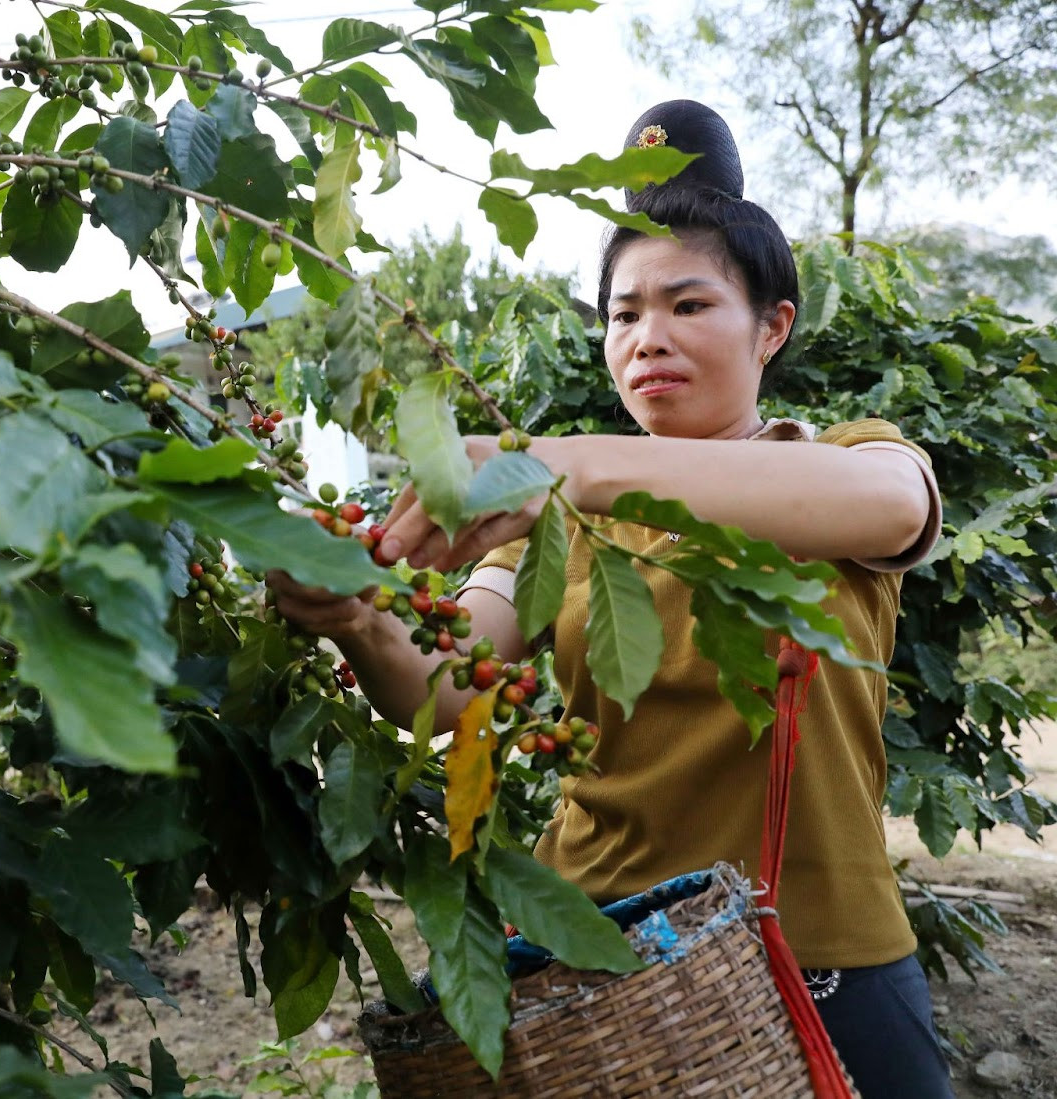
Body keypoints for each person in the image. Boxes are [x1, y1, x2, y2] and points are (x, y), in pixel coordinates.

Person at [267, 100, 954, 1098]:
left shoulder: (845, 458)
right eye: (624, 314)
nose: (648, 338)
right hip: (595, 948)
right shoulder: (556, 516)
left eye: (688, 305)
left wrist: (571, 465)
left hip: (817, 946)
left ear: (772, 326)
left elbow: (893, 507)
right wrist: (358, 617)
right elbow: (441, 689)